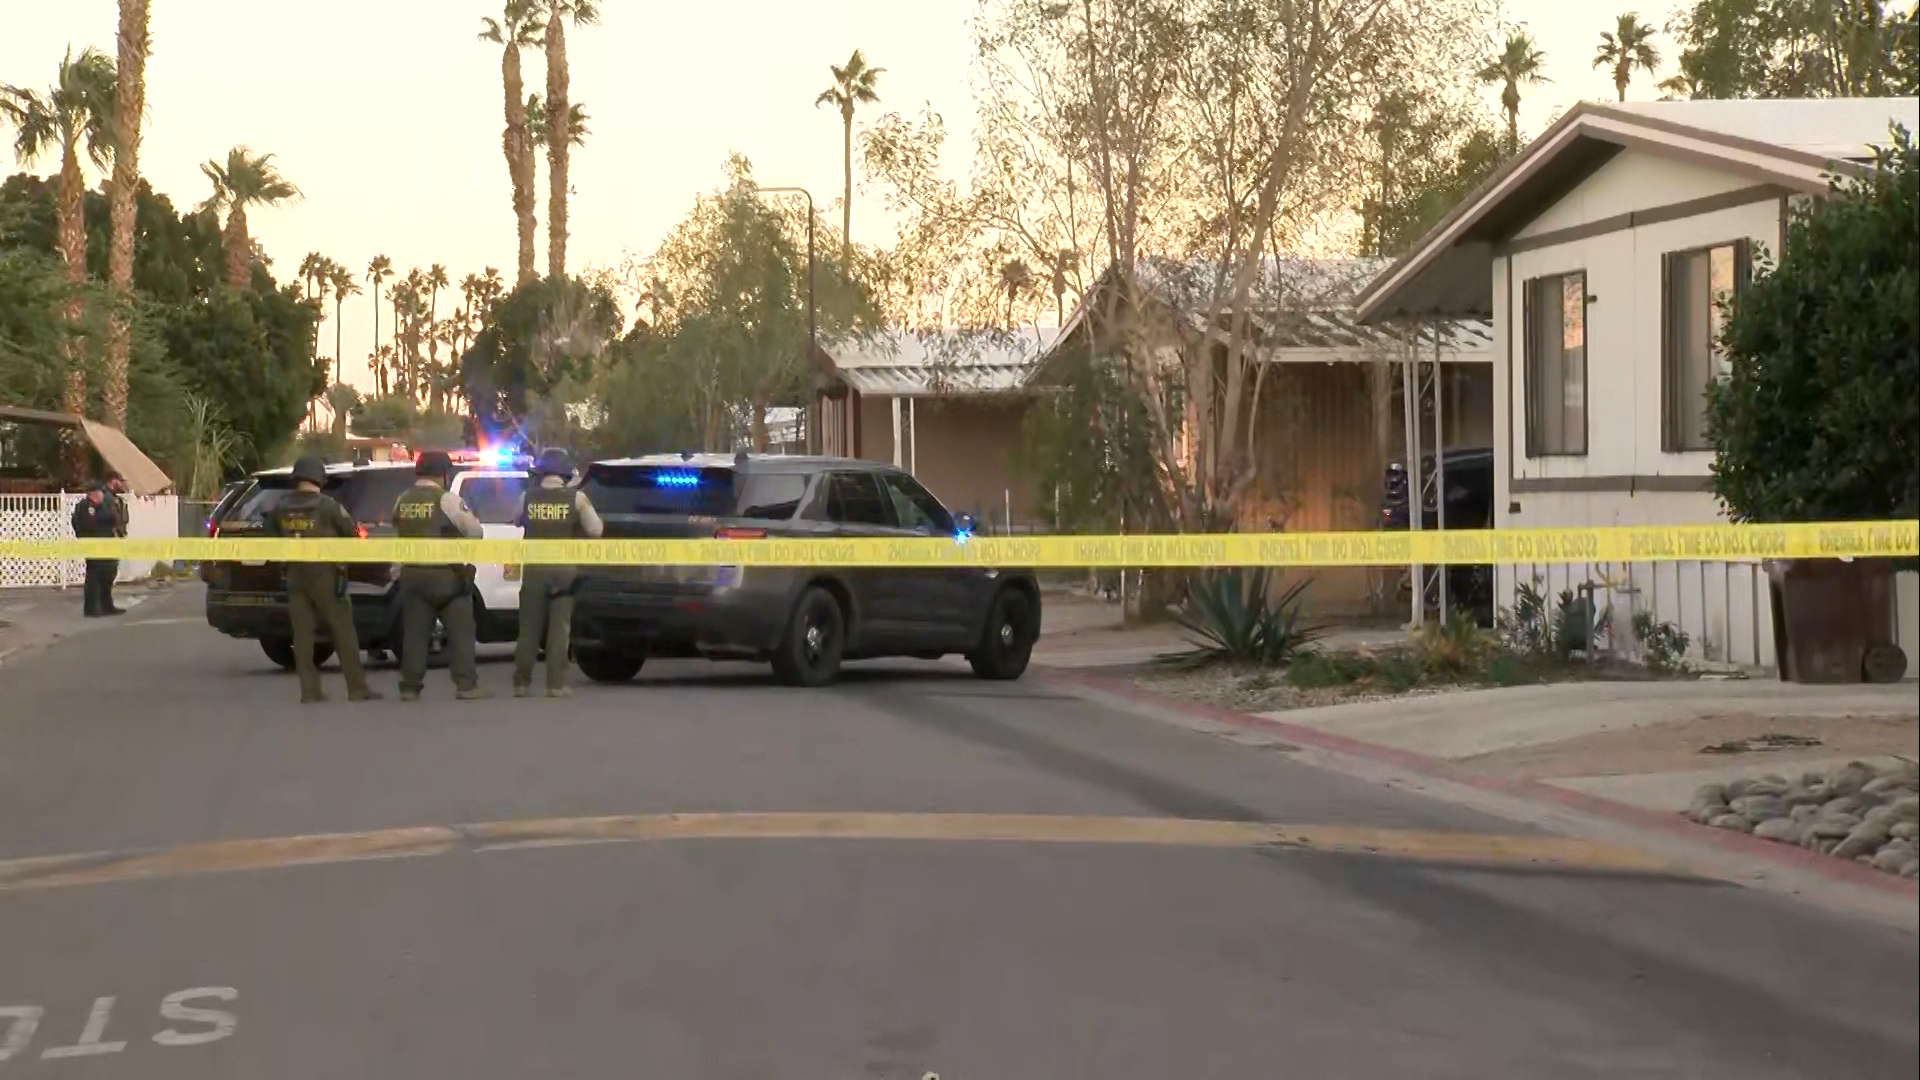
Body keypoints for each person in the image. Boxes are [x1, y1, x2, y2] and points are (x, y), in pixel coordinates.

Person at [264, 455, 381, 704]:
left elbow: (270, 538)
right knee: (343, 631)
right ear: (320, 478)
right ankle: (357, 688)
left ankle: (309, 692)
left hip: (294, 574)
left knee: (303, 635)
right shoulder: (328, 506)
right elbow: (351, 534)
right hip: (327, 574)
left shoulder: (280, 507)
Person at [391, 450, 489, 701]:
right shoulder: (446, 499)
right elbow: (475, 531)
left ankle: (410, 688)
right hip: (446, 577)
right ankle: (466, 686)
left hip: (412, 575)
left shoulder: (402, 498)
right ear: (444, 474)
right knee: (462, 632)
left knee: (414, 634)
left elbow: (396, 525)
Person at [512, 448, 604, 698]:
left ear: (540, 472)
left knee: (528, 629)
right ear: (565, 473)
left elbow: (516, 520)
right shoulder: (577, 499)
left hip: (533, 570)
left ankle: (521, 683)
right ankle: (555, 685)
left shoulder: (527, 497)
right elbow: (596, 530)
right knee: (559, 629)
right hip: (565, 573)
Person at [70, 472, 128, 617]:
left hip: (106, 542)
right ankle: (91, 609)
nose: (102, 496)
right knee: (94, 577)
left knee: (107, 575)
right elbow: (85, 523)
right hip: (95, 544)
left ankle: (106, 605)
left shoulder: (103, 502)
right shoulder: (87, 506)